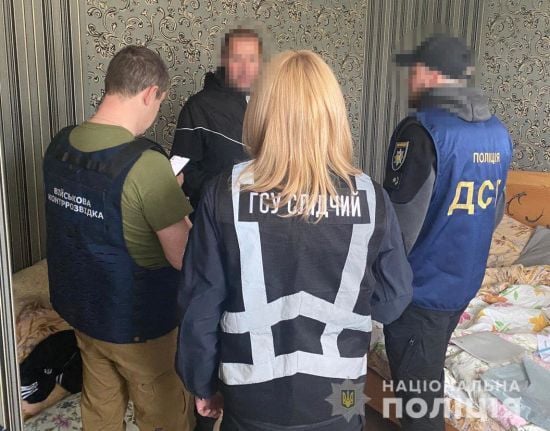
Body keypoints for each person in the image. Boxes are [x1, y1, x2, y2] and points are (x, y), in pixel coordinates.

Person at [176, 50, 413, 431]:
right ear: (333, 115)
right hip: (341, 392)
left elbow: (199, 305)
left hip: (251, 392)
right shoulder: (371, 197)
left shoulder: (225, 193)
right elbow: (393, 299)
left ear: (261, 113)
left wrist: (201, 383)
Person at [43, 45, 195, 431]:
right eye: (159, 102)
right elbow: (186, 256)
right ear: (150, 94)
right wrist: (170, 196)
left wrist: (159, 193)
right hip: (138, 323)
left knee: (100, 405)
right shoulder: (146, 164)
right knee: (164, 415)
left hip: (83, 311)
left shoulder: (59, 145)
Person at [382, 34, 513, 431]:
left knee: (418, 404)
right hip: (462, 284)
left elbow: (399, 228)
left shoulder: (422, 132)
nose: (409, 79)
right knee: (426, 378)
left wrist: (379, 286)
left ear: (428, 73)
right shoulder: (497, 133)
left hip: (420, 293)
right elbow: (495, 212)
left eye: (413, 71)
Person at [170, 28, 262, 210]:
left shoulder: (270, 106)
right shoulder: (199, 107)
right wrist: (225, 191)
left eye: (252, 59)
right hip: (215, 216)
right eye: (237, 58)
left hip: (264, 215)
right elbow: (182, 171)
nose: (245, 68)